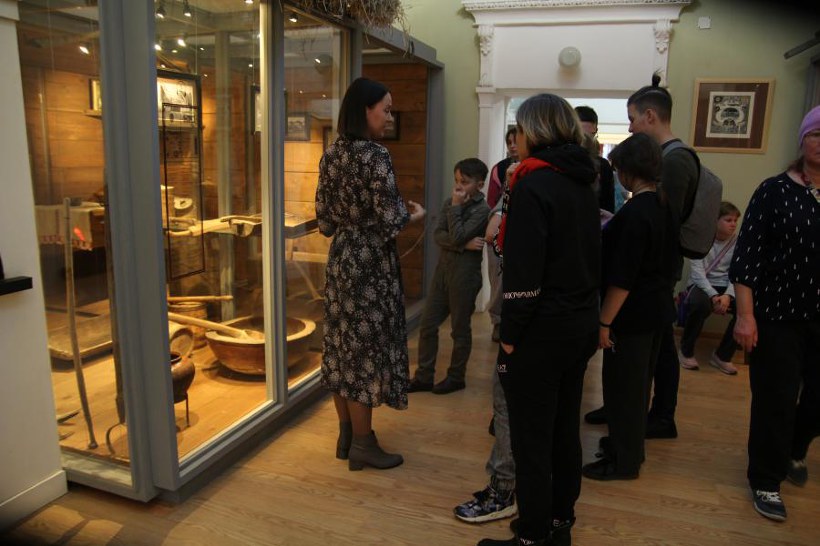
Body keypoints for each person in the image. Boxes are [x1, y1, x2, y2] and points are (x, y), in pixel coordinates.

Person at [478, 94, 600, 546]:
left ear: (536, 131)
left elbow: (525, 274)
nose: (518, 139)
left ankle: (531, 535)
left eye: (521, 130)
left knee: (531, 439)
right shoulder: (582, 178)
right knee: (565, 430)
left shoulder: (534, 183)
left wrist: (510, 336)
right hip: (578, 324)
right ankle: (558, 523)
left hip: (542, 330)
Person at [316, 77, 425, 471]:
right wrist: (416, 215)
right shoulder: (376, 155)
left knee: (340, 348)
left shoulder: (331, 154)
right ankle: (363, 444)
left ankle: (346, 435)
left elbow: (324, 222)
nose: (390, 116)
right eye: (386, 109)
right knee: (362, 354)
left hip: (341, 260)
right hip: (370, 265)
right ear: (366, 110)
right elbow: (391, 219)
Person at [584, 75, 701, 438]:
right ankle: (625, 414)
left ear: (650, 116)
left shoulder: (673, 163)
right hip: (649, 284)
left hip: (648, 286)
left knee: (648, 359)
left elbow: (650, 240)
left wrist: (604, 321)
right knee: (638, 363)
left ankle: (652, 419)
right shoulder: (658, 175)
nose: (631, 126)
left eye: (633, 118)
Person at [729, 105, 820, 522]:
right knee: (775, 402)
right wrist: (745, 317)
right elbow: (746, 259)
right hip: (778, 317)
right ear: (802, 140)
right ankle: (766, 479)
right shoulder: (774, 190)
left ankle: (794, 448)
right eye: (815, 134)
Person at [581, 133, 678, 482]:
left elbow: (623, 278)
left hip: (632, 316)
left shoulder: (636, 213)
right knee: (638, 387)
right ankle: (630, 448)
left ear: (627, 170)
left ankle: (624, 461)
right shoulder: (662, 206)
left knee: (623, 390)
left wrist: (604, 322)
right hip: (656, 312)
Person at [453, 161, 519, 525]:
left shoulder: (532, 192)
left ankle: (504, 489)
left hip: (526, 323)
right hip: (546, 322)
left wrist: (509, 330)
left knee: (507, 404)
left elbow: (493, 236)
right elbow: (447, 233)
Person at [408, 158, 490, 395]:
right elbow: (438, 235)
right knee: (427, 325)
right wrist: (464, 245)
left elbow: (455, 236)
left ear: (479, 184)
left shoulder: (482, 210)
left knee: (459, 330)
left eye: (464, 182)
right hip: (442, 273)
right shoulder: (449, 202)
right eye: (456, 180)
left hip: (465, 277)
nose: (458, 186)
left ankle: (456, 377)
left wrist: (455, 209)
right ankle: (424, 377)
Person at [678, 201, 741, 375]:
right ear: (715, 221)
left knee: (746, 309)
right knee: (700, 305)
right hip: (702, 284)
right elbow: (697, 273)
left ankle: (722, 356)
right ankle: (686, 350)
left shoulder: (739, 243)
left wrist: (728, 296)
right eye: (728, 220)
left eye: (735, 220)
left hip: (726, 287)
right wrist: (714, 296)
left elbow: (737, 273)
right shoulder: (701, 239)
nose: (733, 224)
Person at [488, 129, 520, 342]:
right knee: (497, 279)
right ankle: (497, 321)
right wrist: (496, 217)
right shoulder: (499, 169)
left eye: (516, 141)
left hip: (520, 227)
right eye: (509, 142)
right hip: (500, 225)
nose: (513, 145)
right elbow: (492, 200)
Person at [575, 105, 615, 213]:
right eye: (582, 135)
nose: (586, 140)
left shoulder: (603, 166)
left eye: (591, 135)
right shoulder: (561, 161)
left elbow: (608, 206)